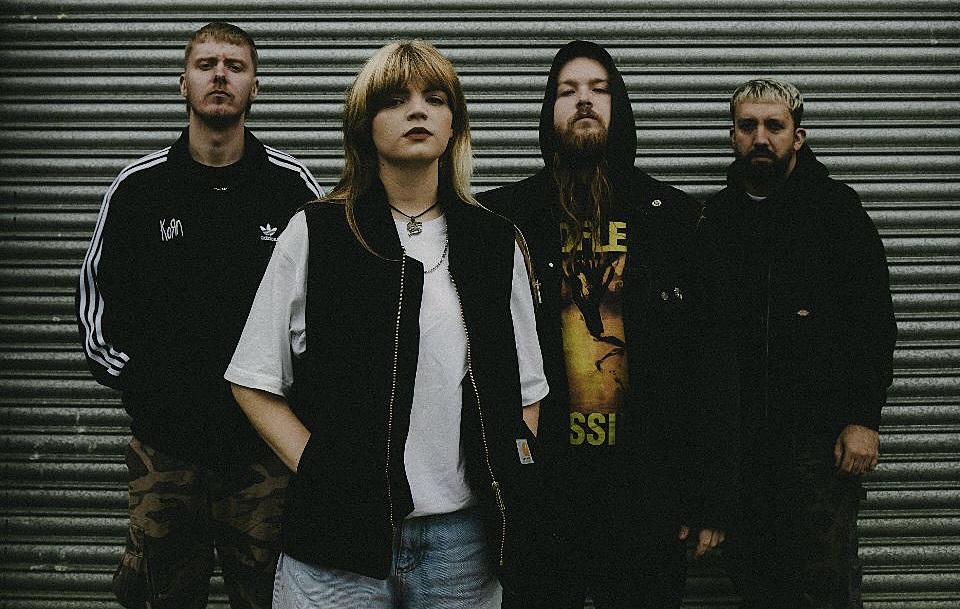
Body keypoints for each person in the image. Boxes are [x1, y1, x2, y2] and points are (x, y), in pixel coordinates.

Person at [224, 40, 548, 609]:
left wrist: (505, 474)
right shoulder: (318, 233)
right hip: (335, 544)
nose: (417, 110)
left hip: (462, 548)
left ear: (454, 124)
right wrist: (324, 474)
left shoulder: (496, 243)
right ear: (364, 125)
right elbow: (253, 379)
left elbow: (527, 391)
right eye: (395, 100)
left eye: (435, 98)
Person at [476, 40, 739, 609]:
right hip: (544, 496)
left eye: (598, 89)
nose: (584, 100)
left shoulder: (674, 220)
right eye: (567, 91)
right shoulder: (505, 221)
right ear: (548, 112)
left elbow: (712, 363)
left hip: (644, 493)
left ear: (619, 107)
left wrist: (710, 496)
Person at [76, 22, 322, 609]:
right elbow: (96, 302)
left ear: (255, 87)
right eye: (206, 64)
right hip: (165, 454)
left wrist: (296, 407)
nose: (220, 76)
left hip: (262, 459)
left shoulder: (291, 189)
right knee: (160, 598)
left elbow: (326, 311)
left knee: (270, 599)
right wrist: (146, 386)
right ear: (182, 83)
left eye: (235, 66)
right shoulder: (139, 189)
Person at [705, 78, 897, 608]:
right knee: (755, 587)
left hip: (818, 449)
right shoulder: (717, 220)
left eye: (775, 126)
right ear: (732, 136)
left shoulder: (836, 211)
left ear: (799, 136)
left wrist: (863, 419)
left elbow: (874, 321)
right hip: (745, 452)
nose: (760, 138)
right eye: (748, 126)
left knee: (823, 587)